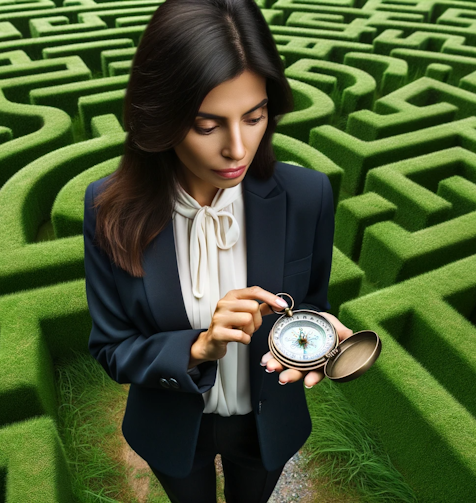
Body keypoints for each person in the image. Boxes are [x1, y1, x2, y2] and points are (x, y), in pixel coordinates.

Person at [83, 0, 354, 500]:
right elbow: (111, 347)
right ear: (159, 118)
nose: (237, 148)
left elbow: (312, 300)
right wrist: (196, 348)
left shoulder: (308, 196)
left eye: (255, 117)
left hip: (267, 425)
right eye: (207, 126)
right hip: (170, 425)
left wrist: (317, 336)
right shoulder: (107, 207)